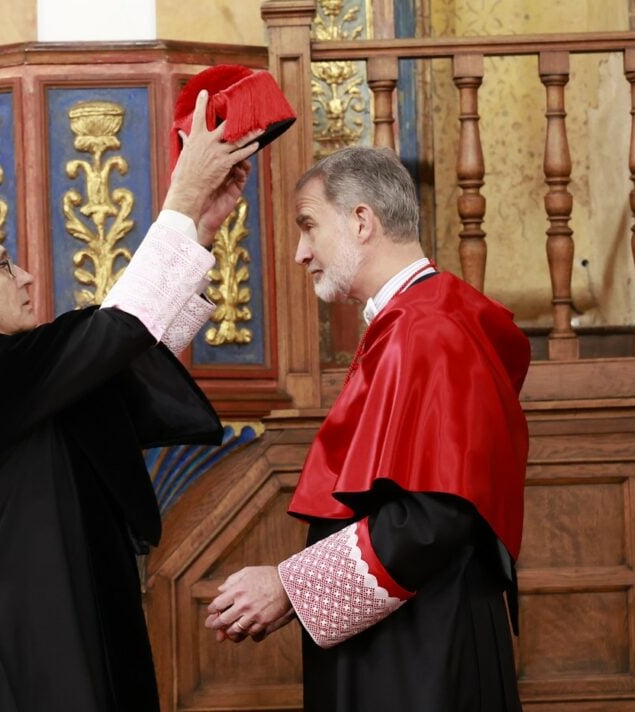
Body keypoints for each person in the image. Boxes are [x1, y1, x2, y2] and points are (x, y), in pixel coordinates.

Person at [0, 90, 261, 711]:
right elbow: (112, 333)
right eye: (6, 267)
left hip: (76, 624)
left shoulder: (14, 376)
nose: (27, 277)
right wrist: (180, 203)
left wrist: (201, 230)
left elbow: (119, 358)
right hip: (11, 652)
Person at [204, 146, 531, 711]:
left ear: (361, 221)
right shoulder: (422, 317)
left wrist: (290, 585)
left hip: (423, 649)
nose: (301, 253)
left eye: (309, 226)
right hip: (419, 632)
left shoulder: (426, 329)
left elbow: (432, 519)